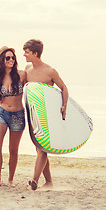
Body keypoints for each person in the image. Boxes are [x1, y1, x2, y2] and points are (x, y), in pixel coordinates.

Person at [23, 39, 69, 190]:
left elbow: (63, 88)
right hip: (33, 114)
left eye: (27, 52)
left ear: (35, 53)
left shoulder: (50, 71)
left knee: (42, 148)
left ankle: (34, 179)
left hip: (48, 115)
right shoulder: (28, 69)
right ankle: (48, 182)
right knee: (39, 148)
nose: (24, 55)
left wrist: (64, 106)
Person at [0, 46, 26, 187]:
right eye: (7, 58)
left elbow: (34, 88)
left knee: (13, 149)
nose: (11, 60)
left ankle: (10, 179)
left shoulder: (22, 75)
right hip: (1, 113)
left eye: (13, 57)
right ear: (2, 60)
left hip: (18, 114)